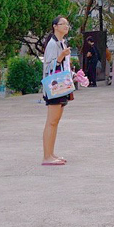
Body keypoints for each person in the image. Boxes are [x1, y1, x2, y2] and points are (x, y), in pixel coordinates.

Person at [42, 15, 73, 166]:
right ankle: (47, 156)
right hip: (53, 86)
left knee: (56, 121)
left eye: (67, 24)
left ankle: (51, 153)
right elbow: (48, 66)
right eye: (63, 24)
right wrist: (60, 57)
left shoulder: (61, 42)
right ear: (55, 26)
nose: (66, 26)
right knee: (52, 121)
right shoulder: (53, 44)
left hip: (61, 85)